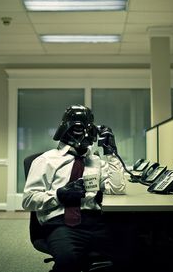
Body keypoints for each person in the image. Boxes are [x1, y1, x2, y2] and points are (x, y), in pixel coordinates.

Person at [22, 104, 127, 272]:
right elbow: (28, 200)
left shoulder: (96, 161)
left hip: (95, 221)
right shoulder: (46, 160)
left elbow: (117, 188)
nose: (80, 134)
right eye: (76, 128)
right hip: (61, 222)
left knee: (130, 254)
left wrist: (111, 152)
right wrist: (59, 195)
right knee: (68, 260)